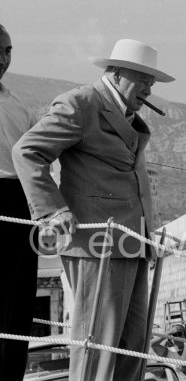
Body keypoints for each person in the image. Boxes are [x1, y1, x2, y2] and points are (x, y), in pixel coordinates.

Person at [12, 38, 175, 381]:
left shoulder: (127, 115)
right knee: (97, 349)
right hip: (96, 247)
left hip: (133, 244)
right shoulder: (81, 104)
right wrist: (53, 211)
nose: (148, 88)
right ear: (115, 74)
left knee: (133, 347)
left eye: (152, 82)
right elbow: (27, 152)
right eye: (143, 78)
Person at [0, 23, 39, 381]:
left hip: (18, 200)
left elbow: (35, 162)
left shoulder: (19, 107)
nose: (2, 59)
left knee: (20, 297)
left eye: (8, 51)